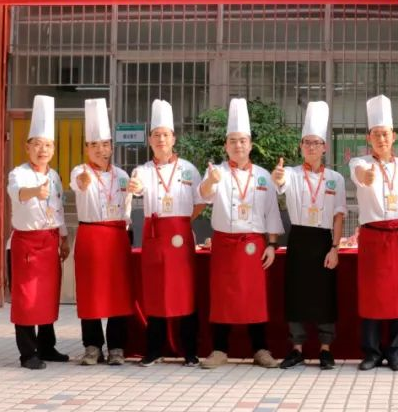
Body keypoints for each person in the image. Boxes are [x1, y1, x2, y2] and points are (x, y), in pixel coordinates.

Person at [198, 98, 284, 369]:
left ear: (250, 144)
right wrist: (209, 182)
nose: (238, 146)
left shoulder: (263, 176)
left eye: (243, 141)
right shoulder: (217, 172)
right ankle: (219, 350)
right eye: (233, 141)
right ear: (226, 145)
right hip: (224, 243)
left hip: (254, 245)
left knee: (254, 297)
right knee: (222, 298)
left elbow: (272, 212)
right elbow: (204, 194)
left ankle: (260, 349)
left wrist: (272, 245)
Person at [127, 99, 206, 367]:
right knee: (155, 293)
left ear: (174, 139)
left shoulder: (188, 169)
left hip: (180, 238)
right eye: (156, 135)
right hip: (154, 237)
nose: (161, 140)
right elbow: (137, 188)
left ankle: (190, 351)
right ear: (150, 140)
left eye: (165, 135)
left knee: (185, 294)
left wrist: (182, 222)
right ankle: (153, 349)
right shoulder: (142, 170)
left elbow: (201, 200)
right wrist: (134, 187)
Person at [274, 101, 347, 371]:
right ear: (301, 146)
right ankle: (296, 349)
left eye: (316, 143)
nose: (312, 147)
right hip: (299, 238)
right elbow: (280, 183)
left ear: (325, 147)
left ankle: (326, 349)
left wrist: (335, 248)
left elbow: (339, 215)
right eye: (307, 143)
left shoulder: (335, 178)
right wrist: (277, 176)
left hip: (323, 241)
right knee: (296, 293)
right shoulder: (291, 174)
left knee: (324, 295)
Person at [348, 95, 398, 371]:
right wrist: (365, 176)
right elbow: (359, 174)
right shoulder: (360, 162)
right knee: (372, 295)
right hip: (373, 237)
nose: (381, 139)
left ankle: (397, 351)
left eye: (385, 134)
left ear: (394, 136)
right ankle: (372, 352)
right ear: (369, 138)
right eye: (376, 134)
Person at [6, 95, 70, 370]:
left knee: (47, 295)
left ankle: (47, 346)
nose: (42, 150)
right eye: (37, 145)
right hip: (26, 244)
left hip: (50, 241)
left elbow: (59, 208)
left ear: (53, 148)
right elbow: (17, 193)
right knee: (26, 299)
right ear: (27, 147)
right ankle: (28, 353)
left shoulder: (54, 176)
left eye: (47, 145)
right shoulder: (18, 173)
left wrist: (64, 238)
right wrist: (35, 191)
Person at [69, 98, 133, 366]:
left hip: (117, 236)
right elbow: (79, 184)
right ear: (87, 148)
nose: (100, 150)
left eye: (104, 144)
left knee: (119, 292)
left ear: (111, 146)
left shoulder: (123, 175)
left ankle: (116, 346)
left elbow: (128, 206)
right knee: (90, 292)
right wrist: (83, 181)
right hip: (91, 236)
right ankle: (92, 346)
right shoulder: (80, 171)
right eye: (94, 145)